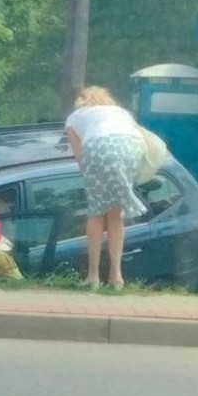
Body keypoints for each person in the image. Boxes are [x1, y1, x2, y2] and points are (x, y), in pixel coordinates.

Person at [65, 86, 146, 290]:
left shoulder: (74, 118)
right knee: (115, 213)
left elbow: (80, 156)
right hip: (132, 147)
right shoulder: (122, 113)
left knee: (96, 213)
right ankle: (116, 276)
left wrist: (94, 180)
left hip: (99, 147)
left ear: (82, 101)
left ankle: (93, 276)